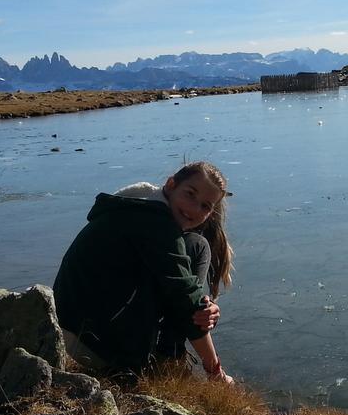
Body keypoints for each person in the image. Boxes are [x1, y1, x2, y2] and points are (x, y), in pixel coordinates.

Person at [53, 160, 234, 383]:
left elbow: (184, 290)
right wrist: (215, 371)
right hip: (93, 343)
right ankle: (167, 358)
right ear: (170, 185)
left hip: (70, 327)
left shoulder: (139, 205)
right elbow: (185, 297)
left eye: (206, 206)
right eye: (190, 194)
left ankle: (166, 353)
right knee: (197, 249)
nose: (195, 208)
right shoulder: (157, 224)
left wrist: (202, 305)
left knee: (194, 246)